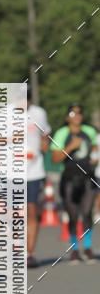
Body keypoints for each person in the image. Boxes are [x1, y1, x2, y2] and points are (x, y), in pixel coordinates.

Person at [51, 103, 98, 263]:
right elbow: (55, 158)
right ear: (67, 117)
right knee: (73, 215)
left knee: (87, 212)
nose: (76, 116)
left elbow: (94, 148)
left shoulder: (90, 131)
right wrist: (71, 146)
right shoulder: (62, 133)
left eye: (79, 113)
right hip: (70, 178)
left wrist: (94, 157)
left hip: (88, 178)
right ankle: (74, 249)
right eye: (72, 113)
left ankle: (88, 247)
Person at [24, 88, 51, 268]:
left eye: (27, 99)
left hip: (34, 172)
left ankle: (29, 253)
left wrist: (44, 143)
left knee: (32, 211)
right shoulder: (4, 114)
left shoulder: (39, 113)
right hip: (11, 173)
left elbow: (45, 133)